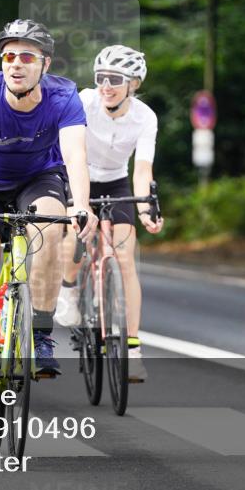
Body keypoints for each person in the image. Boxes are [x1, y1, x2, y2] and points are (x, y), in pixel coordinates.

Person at [0, 19, 98, 399]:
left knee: (51, 229)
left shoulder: (64, 96)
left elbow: (75, 156)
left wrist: (81, 205)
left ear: (45, 64)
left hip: (39, 178)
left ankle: (41, 334)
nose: (16, 64)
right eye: (9, 55)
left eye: (26, 56)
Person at [55, 45, 163, 382]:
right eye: (101, 77)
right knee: (76, 231)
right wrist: (78, 200)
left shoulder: (145, 117)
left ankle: (132, 348)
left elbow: (142, 170)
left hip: (117, 183)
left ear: (134, 83)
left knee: (126, 259)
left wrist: (145, 207)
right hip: (79, 176)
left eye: (114, 79)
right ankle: (69, 288)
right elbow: (68, 149)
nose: (106, 85)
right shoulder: (85, 102)